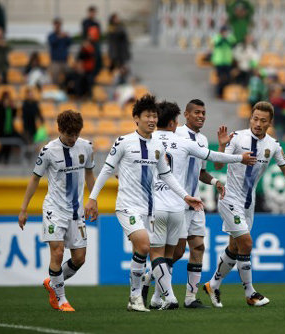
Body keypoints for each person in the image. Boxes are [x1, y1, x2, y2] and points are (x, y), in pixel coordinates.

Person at [84, 95, 203, 312]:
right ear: (136, 118)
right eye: (147, 115)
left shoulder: (158, 145)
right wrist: (92, 198)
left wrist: (185, 196)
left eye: (154, 116)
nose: (152, 119)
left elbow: (166, 175)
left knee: (141, 252)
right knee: (144, 246)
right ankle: (140, 297)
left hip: (150, 210)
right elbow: (107, 170)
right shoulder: (123, 142)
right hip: (127, 206)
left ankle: (135, 298)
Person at [144, 100, 256, 310]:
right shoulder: (177, 136)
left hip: (194, 202)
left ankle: (190, 298)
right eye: (197, 112)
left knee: (198, 246)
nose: (201, 116)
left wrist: (215, 181)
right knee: (175, 253)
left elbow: (202, 171)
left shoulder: (203, 139)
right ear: (185, 115)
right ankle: (155, 288)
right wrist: (238, 157)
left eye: (204, 112)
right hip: (176, 202)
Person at [203, 101, 285, 308]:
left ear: (270, 122)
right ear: (250, 117)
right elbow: (217, 165)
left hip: (248, 203)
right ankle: (250, 293)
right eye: (255, 118)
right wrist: (222, 145)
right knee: (247, 244)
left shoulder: (273, 145)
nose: (258, 123)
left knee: (235, 246)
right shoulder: (236, 138)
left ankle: (213, 284)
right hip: (230, 198)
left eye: (263, 120)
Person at [18, 110, 96, 312]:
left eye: (76, 134)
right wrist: (24, 209)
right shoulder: (48, 151)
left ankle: (53, 282)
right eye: (69, 134)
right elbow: (35, 179)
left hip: (76, 212)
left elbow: (89, 173)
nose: (73, 138)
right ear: (60, 130)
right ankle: (61, 300)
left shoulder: (86, 147)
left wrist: (93, 199)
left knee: (79, 258)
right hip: (54, 210)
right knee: (58, 251)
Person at [0, 91, 21, 164]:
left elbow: (14, 115)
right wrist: (4, 107)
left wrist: (13, 107)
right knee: (4, 144)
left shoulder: (10, 108)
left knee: (8, 144)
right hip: (1, 130)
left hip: (10, 129)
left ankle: (5, 159)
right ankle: (0, 157)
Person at [211, 26, 236, 98]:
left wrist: (227, 38)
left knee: (228, 78)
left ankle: (225, 93)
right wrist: (222, 38)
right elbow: (216, 43)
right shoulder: (217, 37)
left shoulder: (230, 37)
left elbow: (233, 43)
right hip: (219, 61)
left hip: (227, 61)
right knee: (220, 78)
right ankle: (218, 93)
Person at [48, 18, 72, 87]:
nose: (57, 26)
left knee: (70, 74)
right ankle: (55, 90)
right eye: (56, 24)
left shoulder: (64, 35)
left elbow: (69, 43)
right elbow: (52, 42)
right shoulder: (51, 35)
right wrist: (59, 37)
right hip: (55, 61)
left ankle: (66, 88)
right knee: (55, 77)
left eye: (59, 24)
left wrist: (67, 36)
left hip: (64, 61)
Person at [81, 5, 102, 77]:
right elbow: (85, 35)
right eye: (91, 12)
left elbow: (98, 35)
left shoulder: (96, 23)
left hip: (94, 45)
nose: (92, 14)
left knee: (97, 61)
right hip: (88, 46)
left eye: (93, 12)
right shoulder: (85, 22)